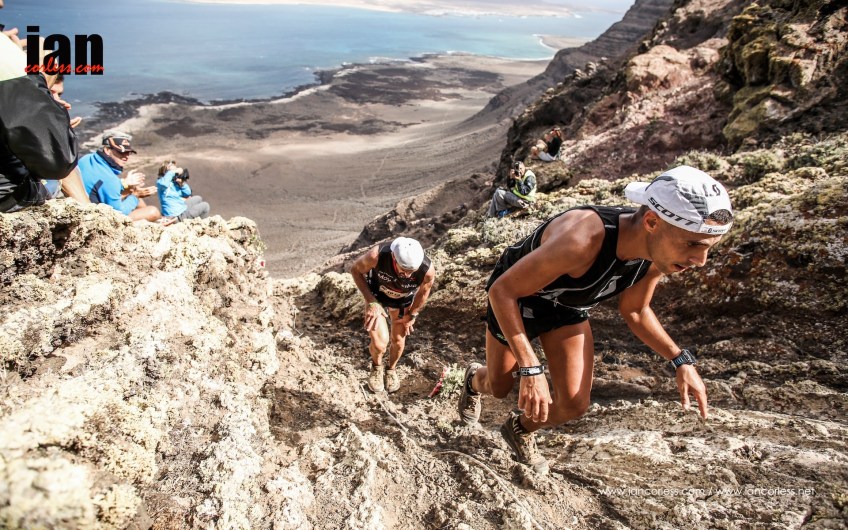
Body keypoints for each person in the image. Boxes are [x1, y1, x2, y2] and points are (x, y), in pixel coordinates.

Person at [458, 165, 733, 474]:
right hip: (517, 296)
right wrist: (531, 368)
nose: (700, 261)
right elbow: (502, 291)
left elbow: (636, 310)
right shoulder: (583, 238)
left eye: (708, 248)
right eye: (693, 244)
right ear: (652, 222)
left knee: (574, 404)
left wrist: (680, 360)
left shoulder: (657, 255)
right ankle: (472, 379)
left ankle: (519, 429)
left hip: (567, 305)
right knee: (498, 387)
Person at [0, 10, 82, 214]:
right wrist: (55, 120)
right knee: (61, 172)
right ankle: (90, 213)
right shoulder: (8, 58)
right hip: (7, 197)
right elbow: (55, 163)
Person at [350, 237, 436, 393]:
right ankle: (376, 367)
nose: (408, 275)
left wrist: (413, 314)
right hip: (377, 297)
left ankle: (391, 370)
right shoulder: (376, 256)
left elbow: (424, 292)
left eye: (412, 272)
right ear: (394, 258)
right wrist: (371, 302)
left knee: (398, 341)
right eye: (404, 270)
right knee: (379, 344)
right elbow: (355, 270)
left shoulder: (426, 270)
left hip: (402, 301)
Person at [77, 132, 162, 222]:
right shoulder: (109, 178)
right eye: (122, 152)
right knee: (153, 212)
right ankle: (155, 223)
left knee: (131, 190)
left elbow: (100, 186)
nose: (126, 157)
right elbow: (118, 214)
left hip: (84, 203)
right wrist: (136, 196)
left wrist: (125, 184)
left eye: (128, 152)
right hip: (95, 218)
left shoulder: (87, 158)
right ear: (107, 150)